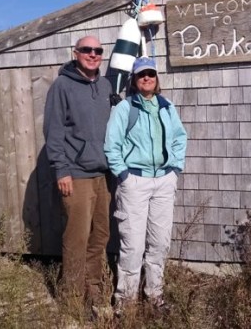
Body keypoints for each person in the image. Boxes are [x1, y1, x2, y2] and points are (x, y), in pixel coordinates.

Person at [104, 56, 187, 312]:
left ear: (156, 78)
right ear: (134, 80)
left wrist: (174, 169)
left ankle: (154, 296)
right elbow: (111, 145)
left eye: (150, 74)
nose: (147, 78)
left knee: (159, 243)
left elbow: (179, 138)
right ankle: (125, 303)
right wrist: (124, 175)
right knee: (133, 245)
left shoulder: (166, 107)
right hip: (135, 182)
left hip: (163, 181)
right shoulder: (124, 109)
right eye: (141, 75)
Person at [43, 36, 112, 307]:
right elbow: (54, 130)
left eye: (97, 50)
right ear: (75, 53)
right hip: (76, 174)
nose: (92, 54)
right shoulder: (62, 86)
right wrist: (62, 170)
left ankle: (92, 286)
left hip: (102, 174)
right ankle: (71, 297)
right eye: (86, 50)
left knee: (101, 234)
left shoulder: (105, 85)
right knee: (77, 237)